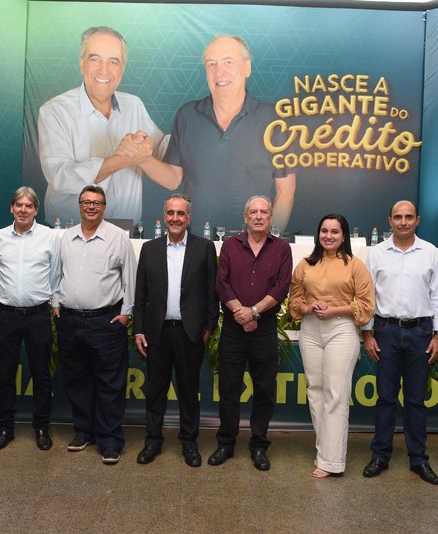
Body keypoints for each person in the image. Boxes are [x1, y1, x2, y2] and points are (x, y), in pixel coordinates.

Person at [125, 35, 295, 233]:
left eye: (228, 62)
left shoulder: (275, 120)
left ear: (247, 67)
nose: (219, 72)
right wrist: (143, 159)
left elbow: (285, 191)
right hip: (196, 241)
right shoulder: (187, 115)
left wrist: (268, 242)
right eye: (211, 64)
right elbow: (173, 179)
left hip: (252, 243)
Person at [38, 26, 174, 225]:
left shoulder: (133, 105)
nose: (104, 69)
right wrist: (122, 159)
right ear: (81, 63)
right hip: (72, 230)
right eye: (95, 59)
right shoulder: (54, 111)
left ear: (123, 67)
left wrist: (192, 131)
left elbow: (163, 150)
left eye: (113, 61)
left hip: (125, 232)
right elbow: (60, 177)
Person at [360, 201, 438, 485]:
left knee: (416, 399)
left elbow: (437, 295)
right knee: (385, 397)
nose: (403, 222)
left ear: (417, 220)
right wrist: (367, 333)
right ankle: (380, 456)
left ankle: (418, 459)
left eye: (409, 217)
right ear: (390, 221)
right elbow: (368, 295)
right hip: (386, 331)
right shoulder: (377, 253)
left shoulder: (430, 251)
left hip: (421, 331)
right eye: (398, 217)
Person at [52, 185, 137, 464]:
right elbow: (56, 274)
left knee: (110, 383)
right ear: (79, 206)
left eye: (97, 203)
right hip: (70, 321)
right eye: (86, 202)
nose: (91, 207)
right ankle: (83, 431)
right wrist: (55, 302)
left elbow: (130, 278)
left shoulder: (118, 237)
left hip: (106, 322)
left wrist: (126, 314)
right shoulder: (66, 238)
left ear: (104, 207)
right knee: (77, 381)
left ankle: (109, 440)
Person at [133, 194, 218, 467]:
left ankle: (189, 443)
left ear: (189, 218)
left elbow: (211, 292)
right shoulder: (150, 249)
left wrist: (209, 327)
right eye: (171, 213)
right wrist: (139, 330)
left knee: (188, 392)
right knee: (155, 391)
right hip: (156, 333)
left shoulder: (205, 248)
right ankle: (153, 441)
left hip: (190, 333)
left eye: (181, 213)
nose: (175, 218)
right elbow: (141, 293)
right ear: (164, 216)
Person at [209, 196, 292, 471]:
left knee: (264, 390)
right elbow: (221, 284)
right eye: (253, 212)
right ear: (245, 217)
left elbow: (281, 288)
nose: (258, 216)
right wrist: (241, 313)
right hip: (233, 329)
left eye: (263, 212)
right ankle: (226, 444)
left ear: (270, 218)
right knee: (229, 389)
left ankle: (258, 446)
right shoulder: (230, 245)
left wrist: (254, 312)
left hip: (264, 329)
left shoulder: (282, 249)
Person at [288, 213, 374, 478]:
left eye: (335, 231)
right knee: (315, 391)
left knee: (336, 394)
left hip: (341, 329)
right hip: (311, 329)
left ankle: (332, 461)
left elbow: (366, 305)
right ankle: (325, 451)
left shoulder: (355, 265)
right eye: (324, 231)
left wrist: (334, 310)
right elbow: (295, 302)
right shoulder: (305, 264)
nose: (328, 236)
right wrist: (309, 307)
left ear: (344, 235)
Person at [0, 186, 61, 451]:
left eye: (29, 206)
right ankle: (5, 427)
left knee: (41, 374)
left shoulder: (49, 236)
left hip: (38, 316)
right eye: (19, 205)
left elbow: (55, 275)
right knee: (5, 374)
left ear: (36, 210)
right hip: (7, 315)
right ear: (11, 208)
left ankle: (41, 427)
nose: (23, 210)